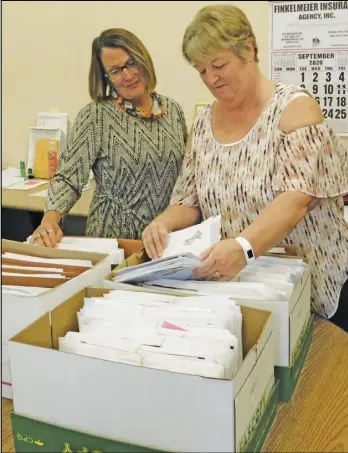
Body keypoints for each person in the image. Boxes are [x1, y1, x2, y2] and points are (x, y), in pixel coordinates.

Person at [142, 5, 348, 331]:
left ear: (249, 49)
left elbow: (298, 198)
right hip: (245, 286)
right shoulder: (203, 124)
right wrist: (163, 223)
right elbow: (189, 200)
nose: (211, 79)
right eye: (201, 70)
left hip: (313, 287)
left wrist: (244, 247)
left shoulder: (294, 109)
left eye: (219, 65)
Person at [29, 28, 187, 246]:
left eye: (131, 63)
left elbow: (185, 178)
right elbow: (68, 177)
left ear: (143, 59)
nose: (128, 75)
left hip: (164, 240)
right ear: (105, 77)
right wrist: (49, 220)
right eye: (116, 70)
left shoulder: (172, 110)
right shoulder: (96, 115)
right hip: (113, 239)